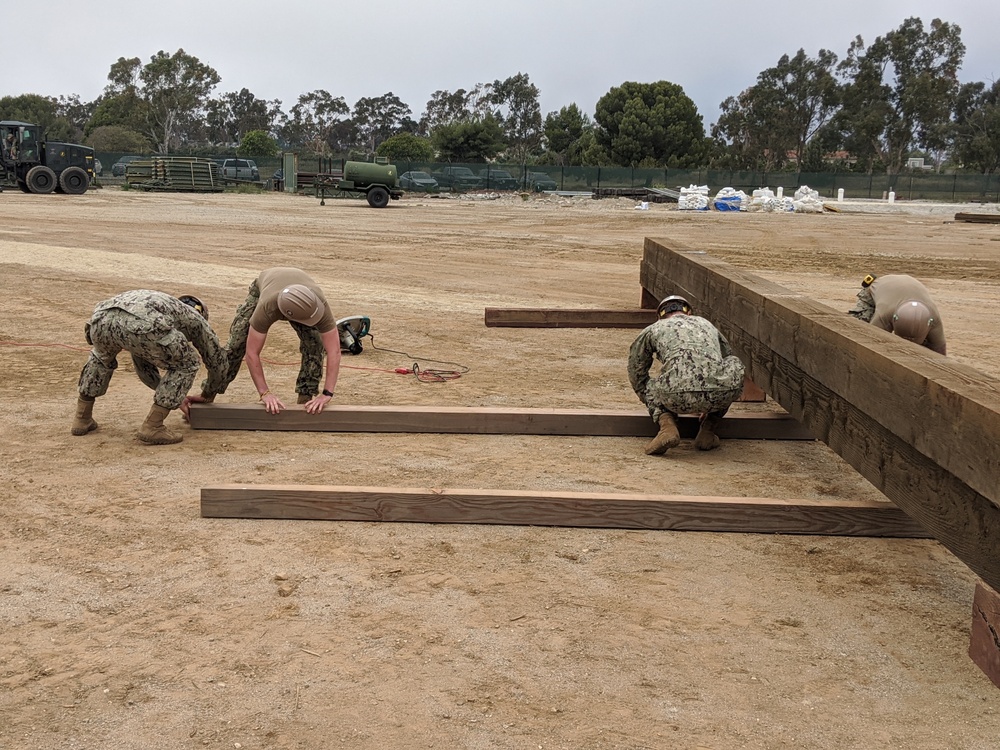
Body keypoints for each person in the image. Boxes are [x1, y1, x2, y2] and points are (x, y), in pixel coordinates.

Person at [72, 291, 228, 445]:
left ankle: (82, 418)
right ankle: (153, 425)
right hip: (140, 322)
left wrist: (172, 394)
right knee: (188, 364)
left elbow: (144, 369)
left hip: (100, 319)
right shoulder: (196, 320)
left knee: (100, 359)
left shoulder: (163, 306)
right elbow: (217, 360)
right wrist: (208, 393)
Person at [201, 267, 341, 415]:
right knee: (237, 345)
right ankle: (208, 394)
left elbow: (334, 351)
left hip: (299, 291)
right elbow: (252, 353)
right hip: (266, 287)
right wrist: (265, 393)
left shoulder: (318, 304)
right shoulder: (267, 308)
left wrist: (327, 393)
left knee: (315, 343)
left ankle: (306, 397)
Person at [627, 295, 746, 455]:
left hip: (674, 397)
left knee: (648, 384)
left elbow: (636, 371)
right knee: (732, 368)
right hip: (719, 395)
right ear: (688, 312)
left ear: (660, 316)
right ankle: (708, 430)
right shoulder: (706, 324)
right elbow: (726, 357)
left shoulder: (654, 328)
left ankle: (667, 427)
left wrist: (653, 402)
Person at [847, 274, 946, 354]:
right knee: (861, 326)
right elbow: (870, 341)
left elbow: (939, 350)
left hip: (905, 288)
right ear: (894, 319)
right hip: (878, 286)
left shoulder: (934, 318)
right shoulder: (885, 313)